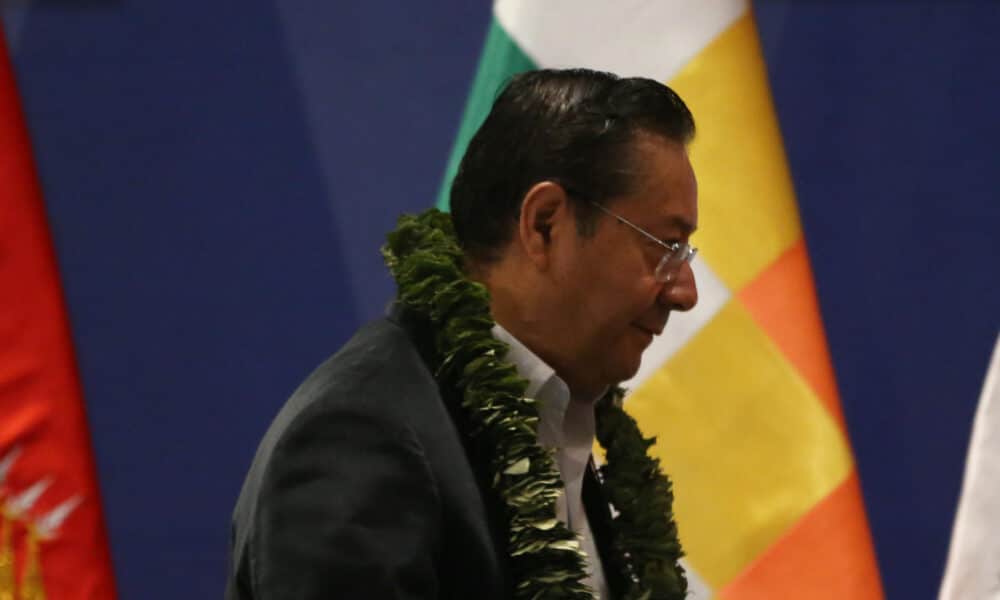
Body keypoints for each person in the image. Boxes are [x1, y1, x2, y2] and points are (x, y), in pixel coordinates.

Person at [225, 68, 699, 600]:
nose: (685, 292)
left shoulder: (553, 419)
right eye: (664, 246)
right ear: (545, 224)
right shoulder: (358, 436)